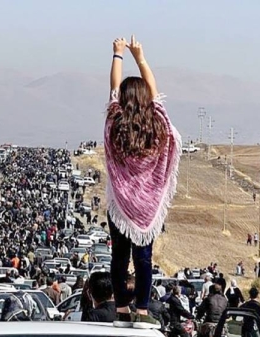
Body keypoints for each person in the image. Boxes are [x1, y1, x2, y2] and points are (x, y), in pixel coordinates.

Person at [105, 35, 181, 330]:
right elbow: (156, 94)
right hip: (148, 207)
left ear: (123, 100)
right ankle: (142, 309)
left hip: (120, 205)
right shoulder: (159, 124)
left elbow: (113, 88)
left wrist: (118, 54)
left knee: (119, 257)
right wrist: (141, 56)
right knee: (144, 257)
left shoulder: (114, 122)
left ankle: (122, 308)